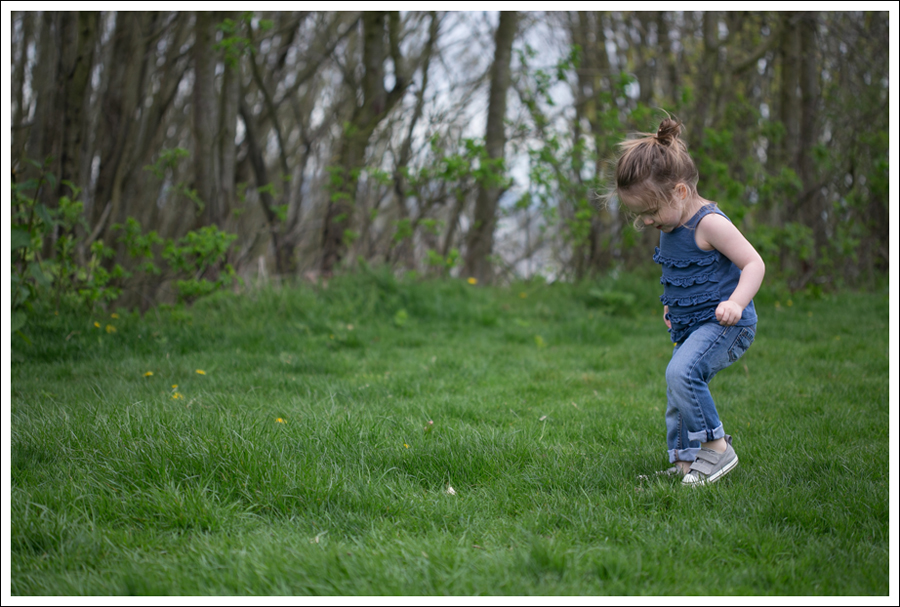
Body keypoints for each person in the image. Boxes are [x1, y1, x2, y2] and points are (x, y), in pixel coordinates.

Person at [614, 117, 765, 486]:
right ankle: (685, 463)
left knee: (681, 373)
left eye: (651, 212)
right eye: (640, 215)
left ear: (680, 192)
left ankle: (716, 447)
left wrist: (736, 302)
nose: (647, 221)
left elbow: (754, 263)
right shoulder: (671, 223)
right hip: (693, 324)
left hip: (728, 323)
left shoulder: (709, 224)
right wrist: (671, 304)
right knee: (677, 387)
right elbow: (680, 271)